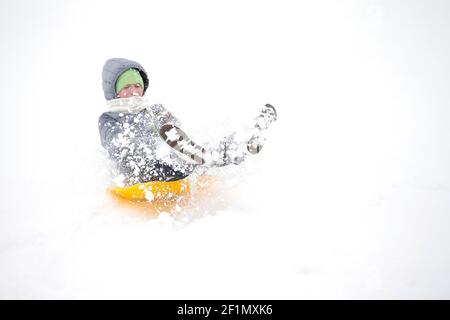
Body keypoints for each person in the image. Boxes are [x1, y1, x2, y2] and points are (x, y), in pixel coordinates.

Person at [99, 58, 276, 187]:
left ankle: (246, 141)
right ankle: (186, 156)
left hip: (175, 164)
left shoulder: (154, 110)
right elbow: (116, 147)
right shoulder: (109, 119)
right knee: (138, 150)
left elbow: (177, 130)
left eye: (137, 86)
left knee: (204, 145)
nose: (134, 91)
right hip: (142, 171)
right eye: (126, 87)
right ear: (114, 92)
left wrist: (182, 143)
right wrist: (160, 148)